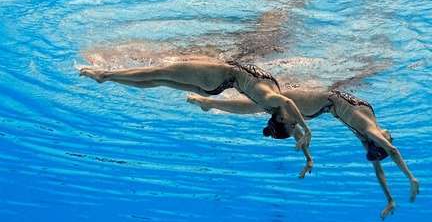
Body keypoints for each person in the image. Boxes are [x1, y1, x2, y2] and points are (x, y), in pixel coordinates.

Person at [187, 86, 419, 219]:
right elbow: (392, 150)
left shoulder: (366, 134)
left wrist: (390, 198)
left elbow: (380, 167)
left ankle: (209, 102)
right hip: (315, 103)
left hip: (316, 106)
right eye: (379, 143)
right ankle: (208, 102)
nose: (389, 135)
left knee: (262, 107)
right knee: (260, 106)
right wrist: (410, 178)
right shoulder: (369, 131)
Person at [78, 56, 314, 171]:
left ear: (283, 119)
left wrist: (307, 130)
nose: (295, 123)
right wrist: (307, 157)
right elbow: (289, 127)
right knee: (159, 81)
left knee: (159, 71)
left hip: (215, 77)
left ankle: (105, 75)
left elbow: (288, 104)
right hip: (214, 87)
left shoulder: (270, 99)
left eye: (292, 124)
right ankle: (108, 78)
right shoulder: (269, 109)